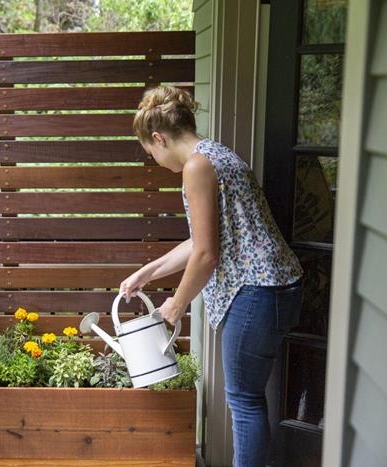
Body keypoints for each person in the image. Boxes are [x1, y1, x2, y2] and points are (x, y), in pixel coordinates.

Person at [120, 85, 304, 467]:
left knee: (244, 401)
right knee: (251, 398)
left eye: (150, 151)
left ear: (159, 138)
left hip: (254, 292)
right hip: (278, 287)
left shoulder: (197, 167)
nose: (153, 158)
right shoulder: (218, 154)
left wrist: (176, 304)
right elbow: (202, 239)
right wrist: (148, 272)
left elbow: (206, 254)